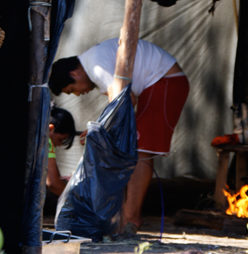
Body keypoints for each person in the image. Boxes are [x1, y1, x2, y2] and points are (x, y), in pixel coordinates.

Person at [49, 38, 190, 235]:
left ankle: (131, 218)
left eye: (73, 90)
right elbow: (119, 106)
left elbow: (125, 99)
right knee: (133, 147)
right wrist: (101, 129)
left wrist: (99, 130)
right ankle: (125, 215)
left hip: (164, 81)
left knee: (142, 150)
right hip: (158, 83)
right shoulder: (93, 61)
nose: (80, 94)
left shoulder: (96, 67)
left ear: (74, 73)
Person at [46, 107, 80, 196]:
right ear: (51, 128)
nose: (59, 145)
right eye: (61, 139)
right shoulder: (47, 141)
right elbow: (54, 184)